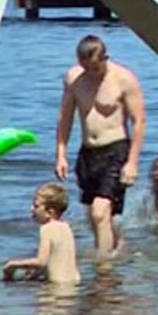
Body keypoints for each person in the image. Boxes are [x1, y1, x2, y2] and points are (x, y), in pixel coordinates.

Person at [55, 34, 146, 254]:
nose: (91, 74)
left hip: (116, 150)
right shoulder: (74, 78)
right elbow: (65, 118)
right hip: (88, 152)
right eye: (85, 68)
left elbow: (140, 122)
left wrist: (132, 162)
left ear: (105, 58)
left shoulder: (124, 79)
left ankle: (103, 269)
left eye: (95, 68)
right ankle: (117, 245)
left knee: (100, 212)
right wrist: (61, 153)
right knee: (93, 216)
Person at [3, 183, 80, 284]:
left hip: (56, 286)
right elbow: (57, 259)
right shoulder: (66, 227)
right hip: (74, 281)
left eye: (36, 206)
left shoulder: (46, 229)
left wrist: (13, 264)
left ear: (50, 212)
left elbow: (41, 262)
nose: (31, 209)